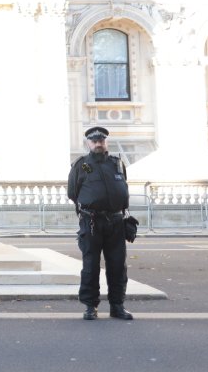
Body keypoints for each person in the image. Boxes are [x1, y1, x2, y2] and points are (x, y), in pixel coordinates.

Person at [67, 126, 133, 321]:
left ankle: (117, 306)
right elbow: (73, 192)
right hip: (92, 222)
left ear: (106, 143)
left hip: (115, 221)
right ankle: (90, 307)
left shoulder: (117, 164)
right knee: (90, 266)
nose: (98, 144)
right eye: (94, 141)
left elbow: (123, 188)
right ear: (88, 143)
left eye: (101, 141)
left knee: (117, 266)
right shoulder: (81, 165)